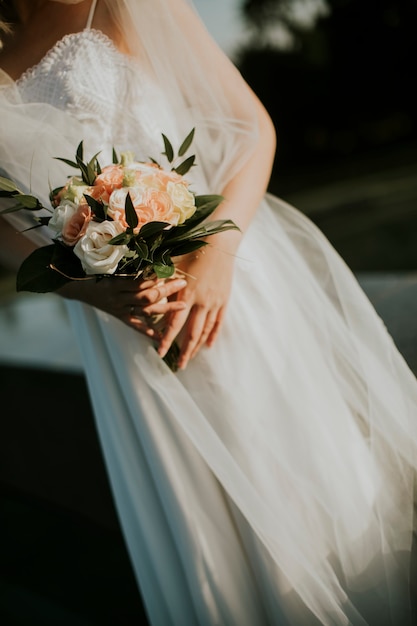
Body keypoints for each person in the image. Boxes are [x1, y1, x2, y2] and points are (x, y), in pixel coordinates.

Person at [0, 1, 416, 624]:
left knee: (294, 466)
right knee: (201, 514)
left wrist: (217, 257)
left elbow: (252, 126)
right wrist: (89, 289)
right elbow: (6, 229)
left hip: (224, 270)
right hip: (119, 322)